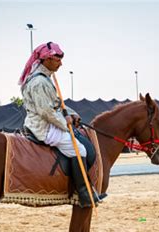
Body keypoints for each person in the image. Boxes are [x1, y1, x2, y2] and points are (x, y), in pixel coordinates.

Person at [19, 41, 100, 208]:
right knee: (81, 149)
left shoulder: (45, 78)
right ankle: (84, 193)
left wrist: (72, 113)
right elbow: (46, 112)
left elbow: (57, 103)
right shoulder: (39, 82)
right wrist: (66, 122)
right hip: (43, 127)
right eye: (57, 60)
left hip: (46, 121)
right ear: (47, 59)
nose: (61, 63)